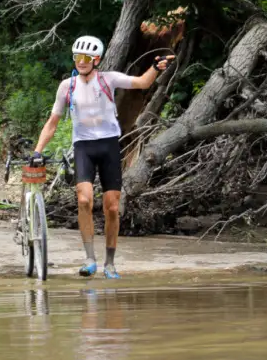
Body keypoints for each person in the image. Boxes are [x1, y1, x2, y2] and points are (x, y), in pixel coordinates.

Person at [31, 35, 174, 279]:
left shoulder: (108, 79)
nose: (82, 62)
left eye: (87, 58)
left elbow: (141, 83)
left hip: (108, 145)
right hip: (83, 146)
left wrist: (155, 67)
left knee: (112, 207)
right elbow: (52, 123)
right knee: (84, 200)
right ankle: (89, 259)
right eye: (78, 57)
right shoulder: (68, 86)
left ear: (96, 60)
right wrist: (37, 150)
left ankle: (109, 263)